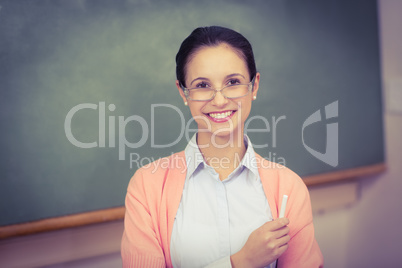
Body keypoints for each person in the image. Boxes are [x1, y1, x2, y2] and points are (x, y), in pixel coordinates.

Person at [121, 26, 323, 268]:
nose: (218, 100)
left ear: (254, 86)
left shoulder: (289, 189)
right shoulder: (146, 187)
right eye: (202, 85)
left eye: (233, 81)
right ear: (183, 93)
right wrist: (240, 262)